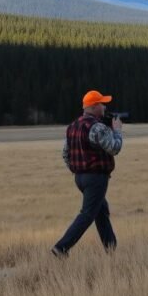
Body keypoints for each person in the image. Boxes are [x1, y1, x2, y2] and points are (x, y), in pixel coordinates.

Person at [52, 90, 124, 257]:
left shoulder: (72, 126)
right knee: (88, 214)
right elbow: (114, 148)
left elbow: (65, 153)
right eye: (101, 103)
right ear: (93, 106)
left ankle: (111, 249)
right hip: (96, 178)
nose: (104, 106)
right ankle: (61, 248)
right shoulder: (97, 127)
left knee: (101, 210)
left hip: (80, 178)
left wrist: (77, 169)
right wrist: (117, 130)